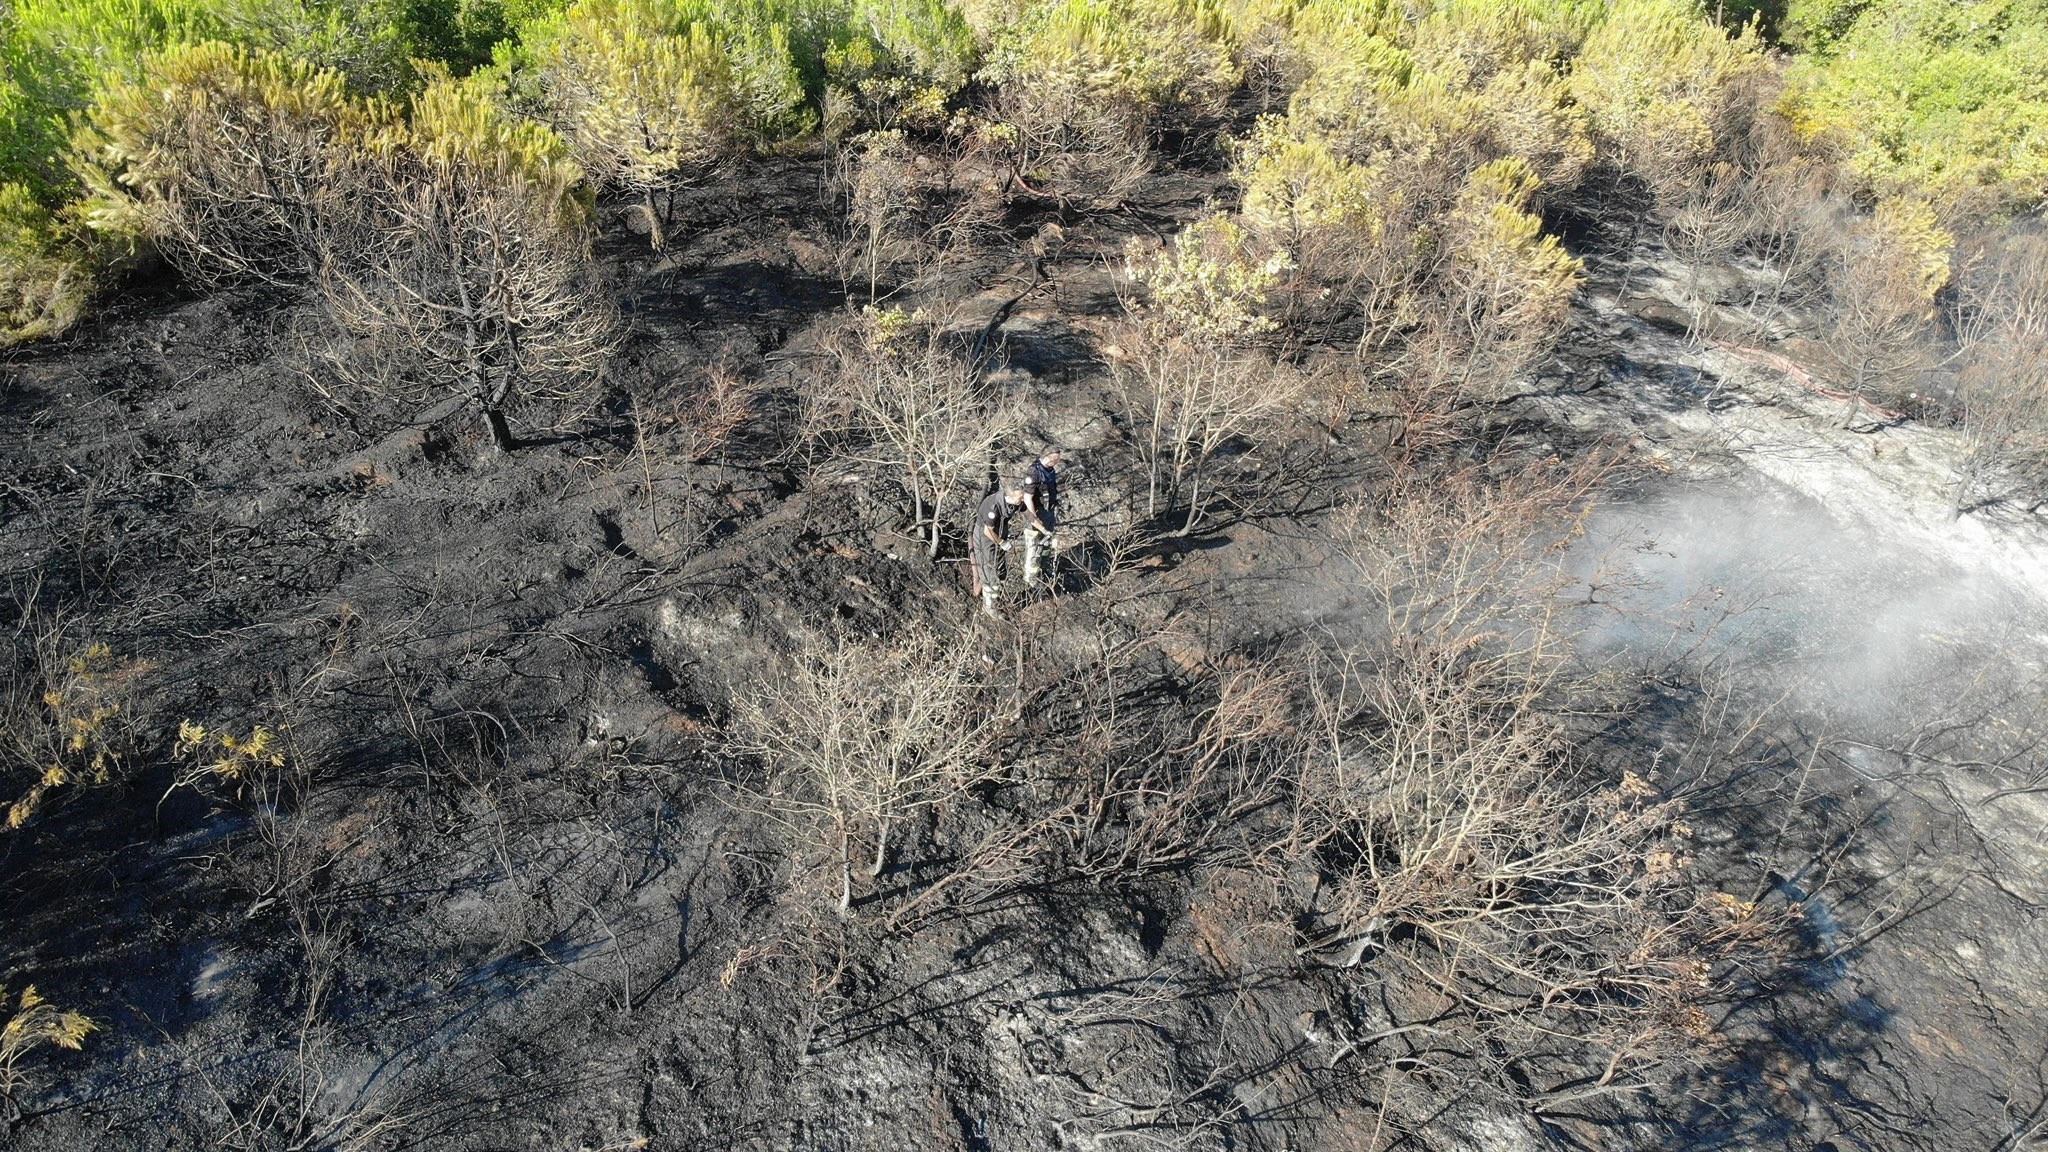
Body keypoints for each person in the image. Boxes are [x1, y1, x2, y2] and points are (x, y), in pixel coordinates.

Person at [970, 485, 1023, 618]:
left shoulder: (1014, 502)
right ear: (1009, 496)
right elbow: (988, 531)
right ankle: (990, 608)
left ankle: (996, 599)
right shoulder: (992, 506)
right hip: (986, 539)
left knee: (1001, 571)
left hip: (999, 533)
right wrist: (1002, 543)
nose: (1022, 499)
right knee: (990, 575)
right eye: (1019, 497)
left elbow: (1025, 508)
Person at [1018, 448, 1063, 587]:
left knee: (1046, 541)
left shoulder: (1050, 470)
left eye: (1058, 459)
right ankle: (1031, 578)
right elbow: (1027, 497)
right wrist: (1033, 518)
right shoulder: (1034, 473)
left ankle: (1044, 568)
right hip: (1036, 513)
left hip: (1048, 512)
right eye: (1055, 459)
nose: (1057, 462)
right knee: (1033, 546)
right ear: (1047, 457)